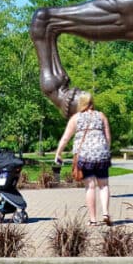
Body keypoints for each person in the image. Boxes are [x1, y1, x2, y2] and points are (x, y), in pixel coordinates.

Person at [54, 92, 113, 226]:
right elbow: (108, 137)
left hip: (85, 157)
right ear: (92, 102)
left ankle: (93, 220)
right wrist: (106, 150)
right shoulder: (101, 116)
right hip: (102, 156)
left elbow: (65, 138)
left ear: (80, 103)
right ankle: (105, 213)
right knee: (104, 185)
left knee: (90, 187)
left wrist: (58, 153)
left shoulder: (76, 118)